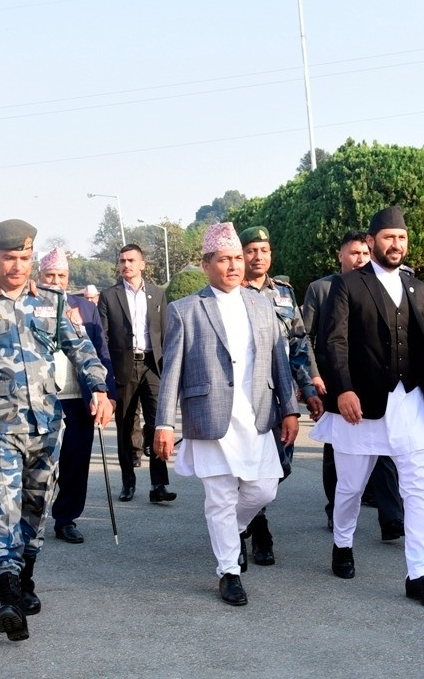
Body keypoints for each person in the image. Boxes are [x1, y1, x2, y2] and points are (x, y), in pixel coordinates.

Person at [0, 220, 113, 642]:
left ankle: (26, 577)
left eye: (24, 257)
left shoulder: (51, 301)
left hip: (45, 424)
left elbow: (81, 349)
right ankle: (9, 596)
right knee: (3, 507)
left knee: (36, 508)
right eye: (9, 258)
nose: (17, 266)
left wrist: (99, 388)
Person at [153, 221, 299, 606]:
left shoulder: (262, 304)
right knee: (219, 497)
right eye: (223, 259)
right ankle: (229, 572)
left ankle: (231, 532)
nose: (234, 266)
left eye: (237, 258)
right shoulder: (185, 310)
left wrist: (290, 409)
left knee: (264, 488)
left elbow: (278, 360)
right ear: (206, 265)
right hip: (210, 415)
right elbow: (172, 371)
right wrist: (164, 423)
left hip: (258, 413)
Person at [312, 205, 424, 610]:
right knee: (351, 487)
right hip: (362, 404)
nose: (396, 244)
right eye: (389, 237)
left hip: (411, 403)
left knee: (417, 488)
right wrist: (343, 390)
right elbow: (333, 342)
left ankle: (419, 574)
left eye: (402, 238)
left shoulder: (418, 288)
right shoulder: (347, 285)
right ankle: (342, 543)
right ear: (372, 242)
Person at [303, 230, 405, 536]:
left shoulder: (380, 285)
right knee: (338, 449)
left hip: (374, 380)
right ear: (340, 255)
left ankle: (391, 516)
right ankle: (336, 509)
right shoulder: (321, 289)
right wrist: (313, 375)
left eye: (364, 253)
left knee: (383, 446)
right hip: (335, 380)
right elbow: (306, 337)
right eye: (354, 253)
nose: (360, 258)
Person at [239, 225, 323, 566]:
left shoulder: (284, 292)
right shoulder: (232, 292)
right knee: (246, 463)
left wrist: (310, 387)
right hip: (247, 392)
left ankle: (246, 515)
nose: (257, 257)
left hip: (283, 391)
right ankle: (254, 528)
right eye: (251, 251)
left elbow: (299, 343)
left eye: (264, 251)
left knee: (280, 465)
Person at [38, 247, 118, 544]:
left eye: (61, 275)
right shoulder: (28, 306)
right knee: (39, 463)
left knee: (75, 461)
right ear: (39, 276)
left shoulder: (84, 307)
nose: (56, 281)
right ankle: (30, 517)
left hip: (78, 397)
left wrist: (107, 394)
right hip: (42, 399)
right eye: (50, 275)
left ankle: (66, 518)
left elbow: (101, 351)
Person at [97, 245, 174, 503]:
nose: (126, 265)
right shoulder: (109, 296)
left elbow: (165, 333)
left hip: (152, 366)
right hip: (123, 367)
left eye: (131, 260)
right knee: (126, 426)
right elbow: (103, 338)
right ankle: (128, 482)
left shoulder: (157, 294)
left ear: (142, 264)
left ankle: (159, 484)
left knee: (157, 424)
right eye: (122, 261)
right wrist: (106, 373)